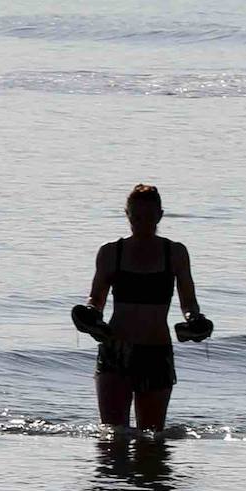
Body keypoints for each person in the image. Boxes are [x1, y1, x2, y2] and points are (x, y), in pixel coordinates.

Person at [82, 184, 202, 433]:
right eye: (136, 217)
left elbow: (188, 301)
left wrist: (194, 320)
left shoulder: (175, 253)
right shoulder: (111, 252)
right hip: (116, 350)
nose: (141, 223)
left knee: (152, 438)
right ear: (127, 215)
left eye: (148, 217)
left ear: (160, 215)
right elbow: (97, 298)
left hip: (156, 352)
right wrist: (89, 315)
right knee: (113, 435)